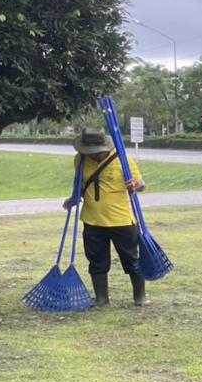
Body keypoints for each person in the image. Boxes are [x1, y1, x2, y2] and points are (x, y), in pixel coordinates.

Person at [63, 126, 148, 306]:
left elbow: (141, 184)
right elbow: (80, 183)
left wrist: (136, 186)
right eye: (90, 152)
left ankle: (140, 296)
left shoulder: (123, 159)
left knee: (131, 260)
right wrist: (74, 198)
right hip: (92, 220)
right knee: (96, 262)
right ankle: (102, 298)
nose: (93, 155)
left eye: (97, 152)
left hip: (121, 220)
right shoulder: (80, 159)